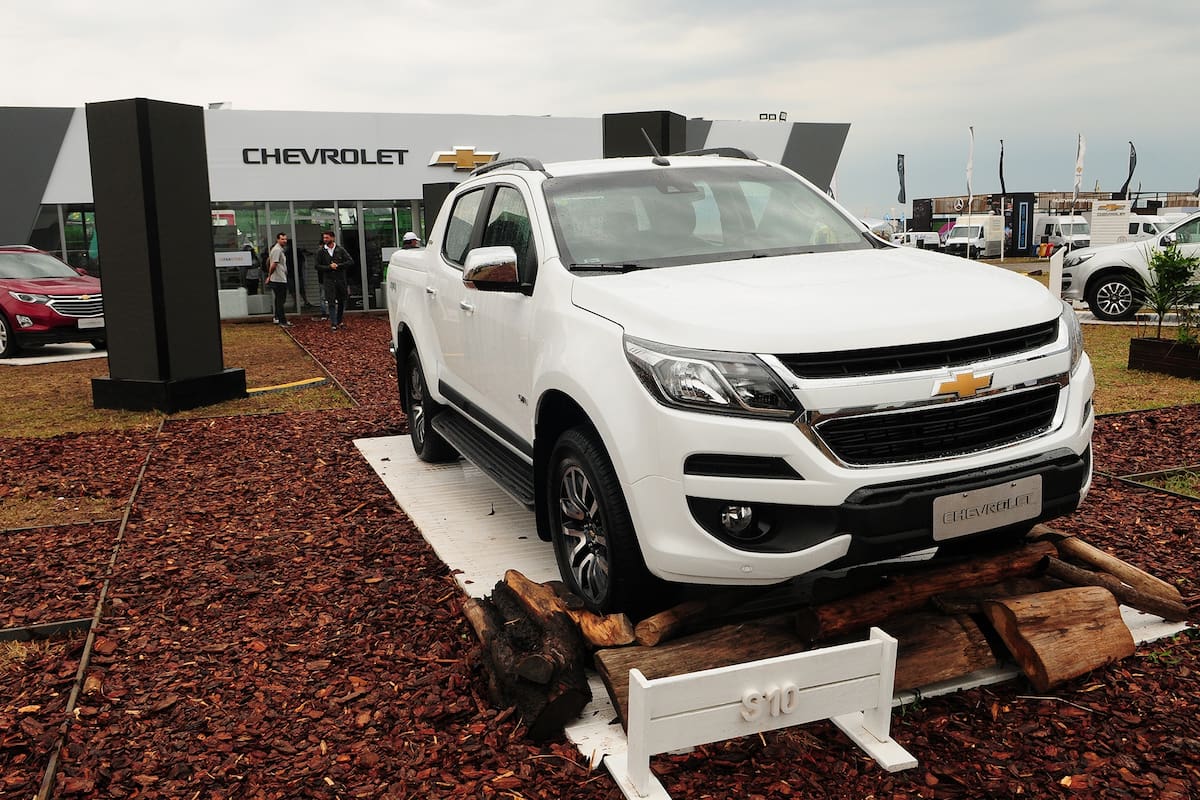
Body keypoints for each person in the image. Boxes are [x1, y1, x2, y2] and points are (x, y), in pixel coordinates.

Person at [316, 230, 354, 331]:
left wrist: (339, 266)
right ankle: (333, 323)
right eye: (324, 238)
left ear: (333, 238)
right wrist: (329, 267)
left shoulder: (340, 250)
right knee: (331, 301)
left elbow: (350, 261)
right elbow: (317, 266)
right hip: (328, 280)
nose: (325, 240)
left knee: (341, 300)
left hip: (340, 279)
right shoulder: (321, 251)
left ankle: (339, 320)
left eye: (327, 238)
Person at [266, 232, 292, 326]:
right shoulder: (277, 250)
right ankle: (282, 320)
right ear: (277, 239)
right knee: (280, 300)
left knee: (279, 300)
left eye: (285, 239)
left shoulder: (279, 249)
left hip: (280, 277)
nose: (284, 241)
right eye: (282, 239)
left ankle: (277, 318)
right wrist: (269, 276)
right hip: (278, 279)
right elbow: (273, 264)